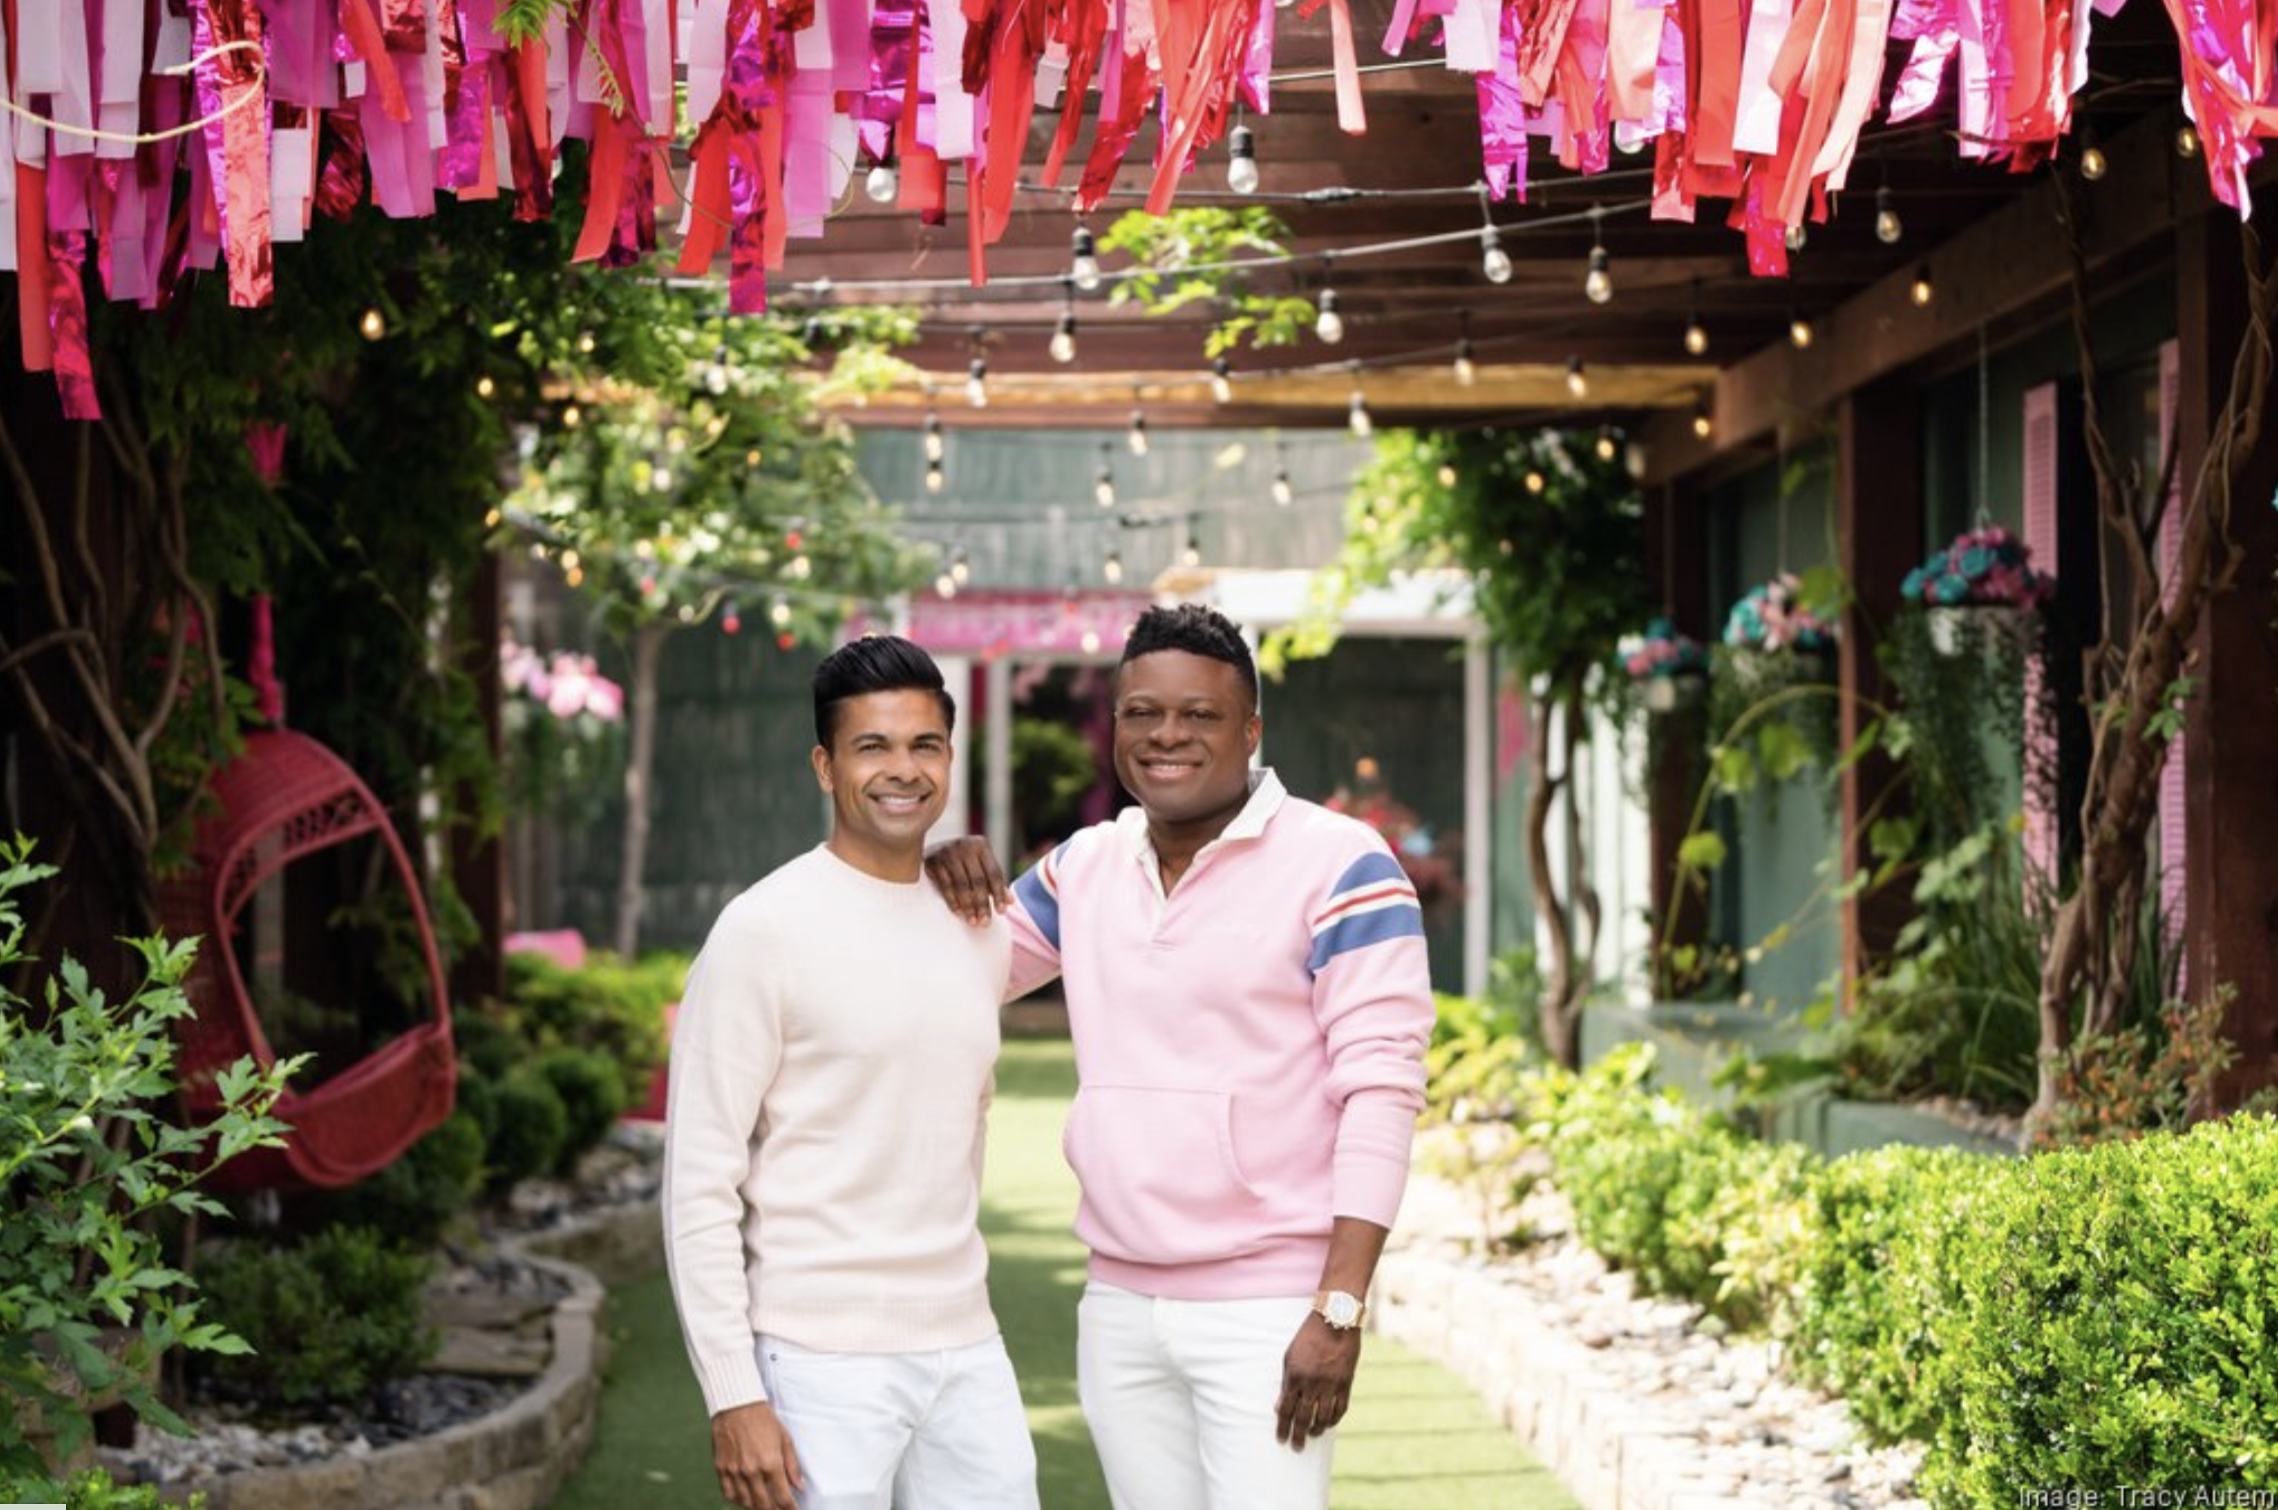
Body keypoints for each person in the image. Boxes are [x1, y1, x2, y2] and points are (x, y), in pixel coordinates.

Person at [928, 603, 1435, 1510]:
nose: (1167, 735)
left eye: (1200, 715)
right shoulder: (1083, 866)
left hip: (1268, 1307)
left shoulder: (1343, 866)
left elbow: (1382, 1091)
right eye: (1143, 713)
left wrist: (1339, 1307)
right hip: (1118, 1305)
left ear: (1250, 731)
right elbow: (951, 973)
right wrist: (926, 864)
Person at [662, 635, 1040, 1510]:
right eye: (873, 746)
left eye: (925, 745)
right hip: (816, 1360)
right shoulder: (762, 930)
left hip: (968, 1345)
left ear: (949, 757)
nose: (903, 769)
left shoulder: (980, 926)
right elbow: (697, 1180)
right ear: (825, 767)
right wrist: (733, 1393)